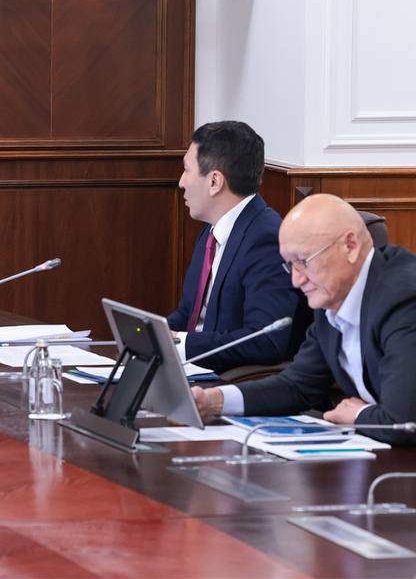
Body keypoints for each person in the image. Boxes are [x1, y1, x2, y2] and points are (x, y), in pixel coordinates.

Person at [193, 194, 416, 445]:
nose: (296, 280)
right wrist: (214, 401)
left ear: (350, 246)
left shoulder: (404, 297)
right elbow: (298, 386)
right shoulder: (332, 296)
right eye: (290, 265)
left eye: (303, 261)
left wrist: (358, 415)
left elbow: (404, 421)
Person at [167, 121, 301, 371]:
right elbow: (187, 314)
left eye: (186, 170)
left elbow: (266, 340)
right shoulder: (212, 229)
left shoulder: (267, 238)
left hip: (225, 379)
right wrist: (153, 335)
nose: (181, 182)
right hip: (192, 368)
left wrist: (181, 344)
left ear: (214, 181)